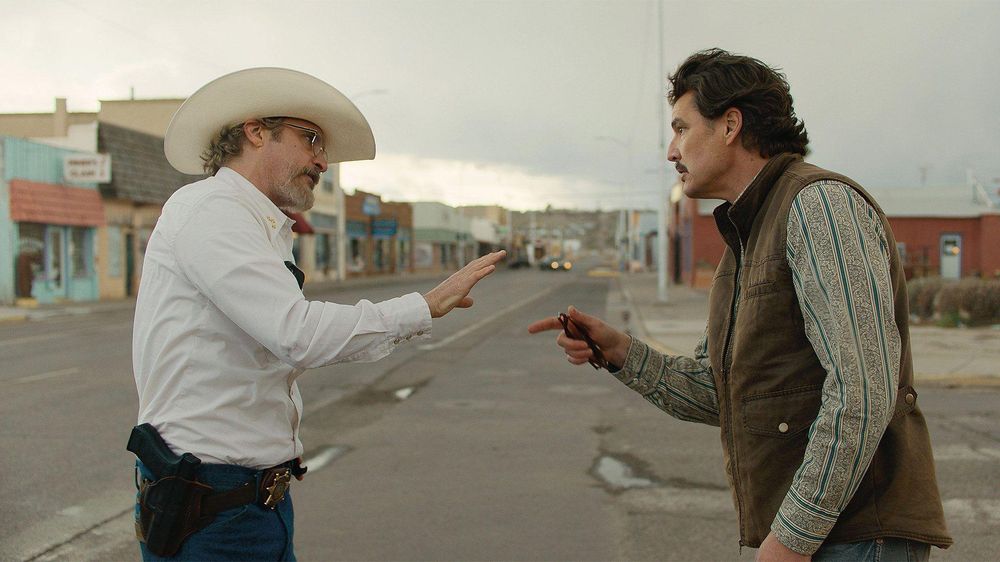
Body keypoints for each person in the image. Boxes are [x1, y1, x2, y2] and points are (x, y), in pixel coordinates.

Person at [529, 49, 952, 561]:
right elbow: (721, 395)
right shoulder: (744, 241)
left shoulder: (817, 206)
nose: (671, 150)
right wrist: (619, 352)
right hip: (824, 538)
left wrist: (792, 540)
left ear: (730, 125)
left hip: (859, 538)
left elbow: (863, 390)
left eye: (682, 128)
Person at [130, 67, 505, 561]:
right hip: (212, 507)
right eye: (310, 139)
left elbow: (278, 348)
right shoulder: (212, 210)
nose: (323, 160)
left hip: (247, 501)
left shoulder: (258, 225)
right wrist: (423, 307)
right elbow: (297, 334)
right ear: (256, 131)